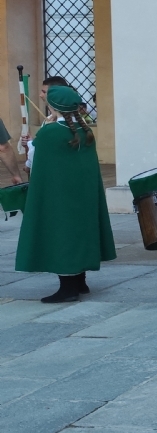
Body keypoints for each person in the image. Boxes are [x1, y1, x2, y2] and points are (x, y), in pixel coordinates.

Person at [16, 85, 115, 303]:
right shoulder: (85, 131)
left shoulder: (50, 132)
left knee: (63, 234)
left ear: (53, 106)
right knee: (79, 231)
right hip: (82, 194)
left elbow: (34, 159)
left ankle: (68, 288)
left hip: (59, 196)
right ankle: (80, 280)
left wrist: (32, 142)